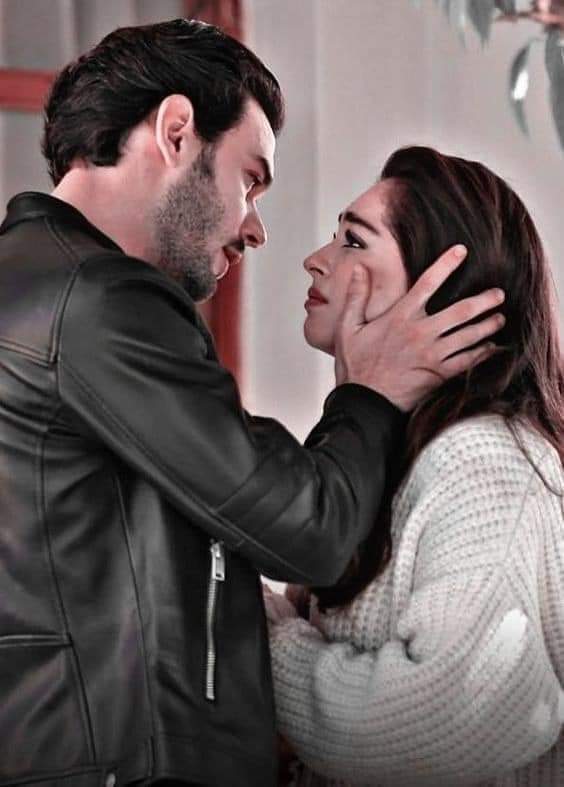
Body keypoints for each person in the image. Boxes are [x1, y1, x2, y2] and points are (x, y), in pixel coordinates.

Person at [0, 19, 504, 787]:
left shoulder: (39, 281)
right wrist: (371, 392)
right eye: (251, 179)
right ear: (175, 132)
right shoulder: (94, 299)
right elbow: (305, 528)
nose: (257, 227)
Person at [265, 145, 564, 787]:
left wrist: (261, 640)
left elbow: (463, 712)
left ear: (441, 292)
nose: (316, 259)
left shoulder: (485, 463)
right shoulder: (392, 451)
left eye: (353, 241)